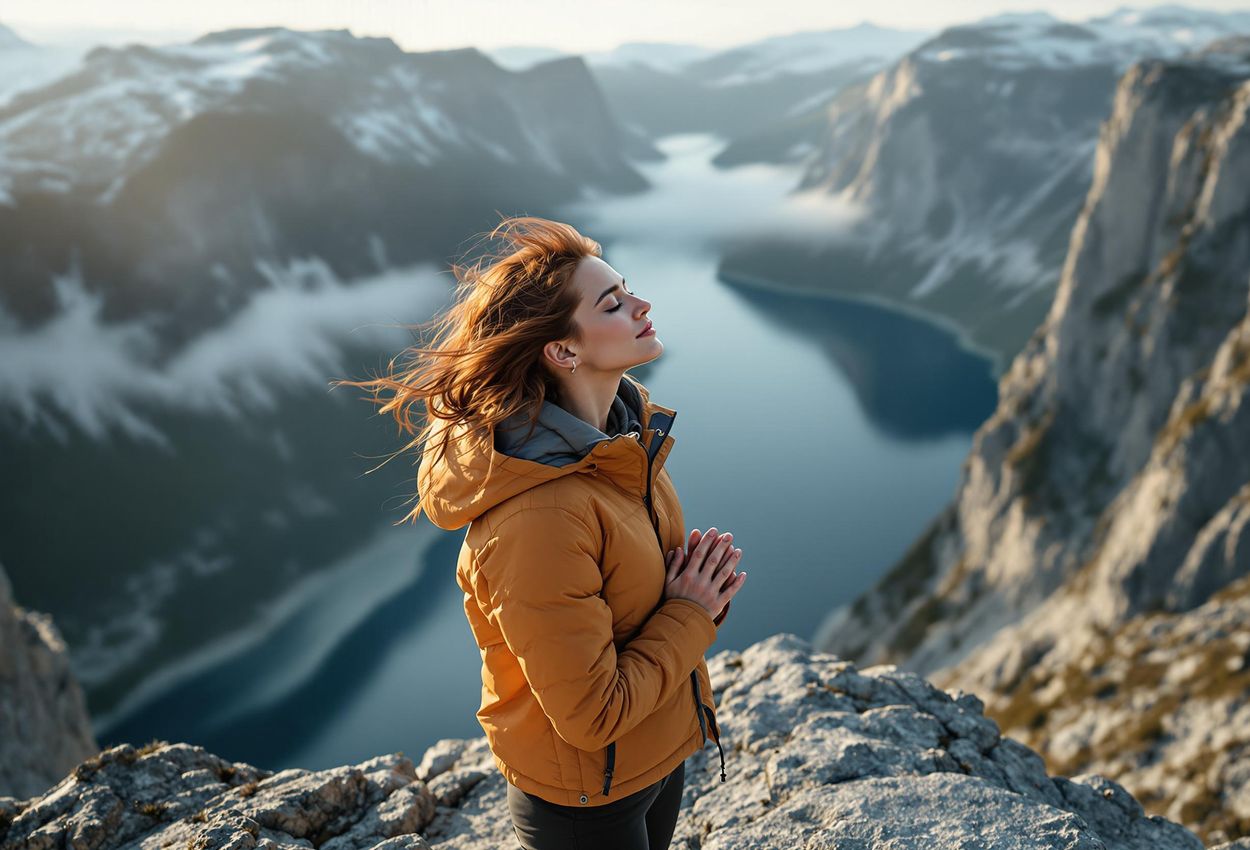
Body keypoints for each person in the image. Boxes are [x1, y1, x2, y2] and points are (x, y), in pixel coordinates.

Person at [334, 215, 747, 850]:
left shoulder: (619, 443)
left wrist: (692, 597)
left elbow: (630, 611)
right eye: (613, 303)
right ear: (564, 351)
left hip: (652, 756)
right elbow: (592, 715)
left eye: (627, 289)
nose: (642, 305)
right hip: (587, 801)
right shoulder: (541, 517)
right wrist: (692, 612)